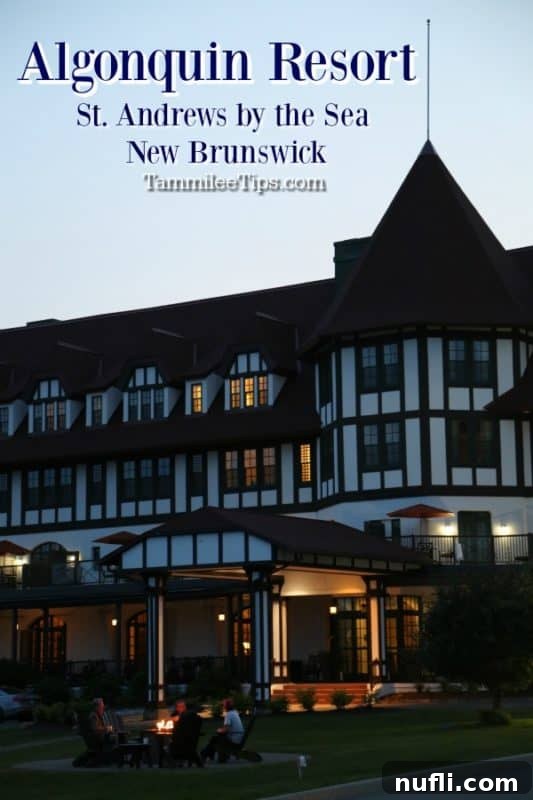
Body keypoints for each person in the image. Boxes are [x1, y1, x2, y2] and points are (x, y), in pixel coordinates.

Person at [200, 698, 244, 763]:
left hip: (233, 738)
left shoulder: (229, 715)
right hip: (238, 736)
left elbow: (226, 729)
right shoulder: (235, 713)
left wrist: (219, 730)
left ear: (226, 706)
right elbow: (227, 728)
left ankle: (205, 754)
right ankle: (208, 754)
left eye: (224, 705)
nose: (223, 707)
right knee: (214, 739)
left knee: (214, 739)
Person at [169, 699, 203, 767]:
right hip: (180, 736)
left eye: (182, 706)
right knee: (174, 744)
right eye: (179, 707)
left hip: (187, 738)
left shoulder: (189, 715)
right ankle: (179, 762)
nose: (181, 708)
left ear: (185, 707)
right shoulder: (176, 714)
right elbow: (172, 720)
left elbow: (187, 726)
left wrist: (179, 719)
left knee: (175, 745)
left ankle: (178, 762)